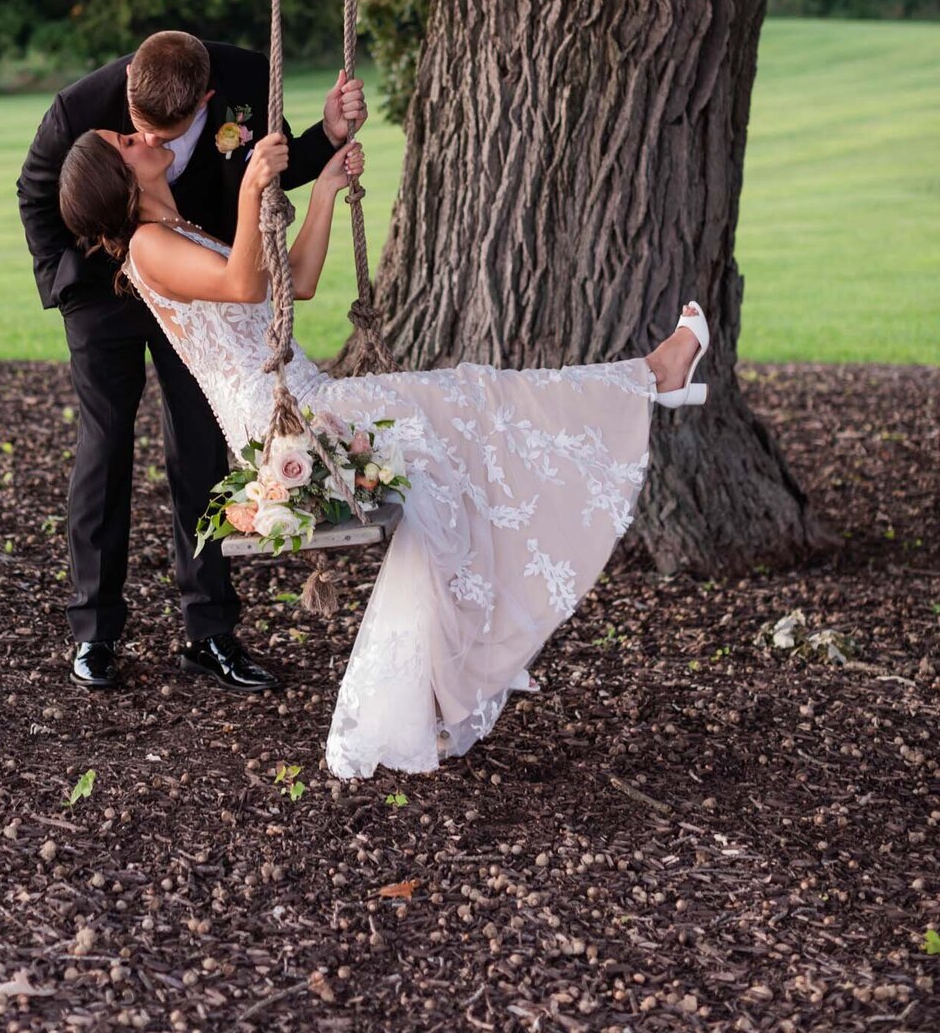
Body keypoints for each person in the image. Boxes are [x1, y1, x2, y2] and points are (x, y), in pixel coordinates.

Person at [57, 123, 710, 778]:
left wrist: (322, 195)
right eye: (124, 140)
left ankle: (431, 697)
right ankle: (652, 376)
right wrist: (255, 184)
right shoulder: (147, 245)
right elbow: (243, 285)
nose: (141, 133)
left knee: (462, 439)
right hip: (291, 423)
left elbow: (295, 283)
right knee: (470, 398)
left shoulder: (178, 231)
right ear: (118, 176)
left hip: (311, 403)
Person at [17, 30, 366, 693]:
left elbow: (276, 167)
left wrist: (328, 133)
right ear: (126, 94)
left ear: (207, 100)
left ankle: (208, 630)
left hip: (206, 276)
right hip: (103, 289)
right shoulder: (79, 108)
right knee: (105, 443)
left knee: (201, 446)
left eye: (170, 133)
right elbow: (37, 194)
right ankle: (95, 630)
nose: (154, 142)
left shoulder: (244, 80)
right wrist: (70, 286)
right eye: (138, 131)